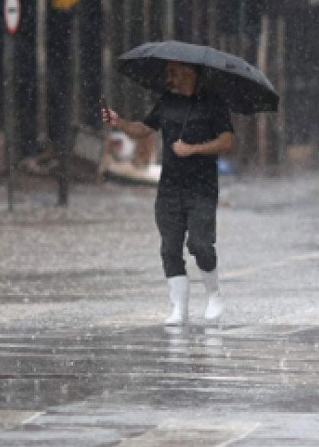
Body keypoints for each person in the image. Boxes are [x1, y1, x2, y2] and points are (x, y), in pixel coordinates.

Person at [101, 61, 236, 325]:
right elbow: (144, 129)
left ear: (189, 71)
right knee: (169, 248)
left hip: (202, 188)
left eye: (173, 71)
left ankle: (214, 294)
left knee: (200, 244)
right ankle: (178, 308)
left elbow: (227, 141)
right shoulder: (166, 101)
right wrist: (118, 122)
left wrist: (193, 149)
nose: (168, 76)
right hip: (169, 188)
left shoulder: (213, 102)